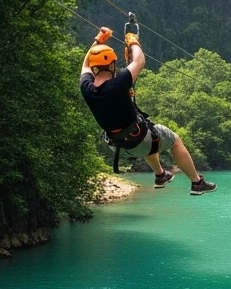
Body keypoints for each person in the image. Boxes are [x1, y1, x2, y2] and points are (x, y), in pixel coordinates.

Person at [80, 28, 216, 195]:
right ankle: (197, 182)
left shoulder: (86, 88)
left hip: (118, 146)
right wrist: (133, 41)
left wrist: (98, 41)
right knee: (173, 140)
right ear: (112, 65)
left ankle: (160, 175)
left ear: (95, 68)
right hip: (138, 140)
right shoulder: (119, 83)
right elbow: (139, 60)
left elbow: (86, 63)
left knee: (150, 134)